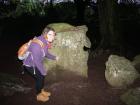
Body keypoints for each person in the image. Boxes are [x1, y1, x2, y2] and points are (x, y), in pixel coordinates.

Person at [22, 26, 58, 102]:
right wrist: (43, 71)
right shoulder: (37, 45)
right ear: (45, 34)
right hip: (30, 65)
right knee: (40, 78)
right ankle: (38, 95)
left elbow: (46, 53)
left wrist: (54, 57)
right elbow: (36, 61)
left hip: (36, 63)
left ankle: (42, 91)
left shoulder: (45, 41)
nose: (53, 37)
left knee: (41, 77)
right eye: (50, 34)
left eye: (53, 34)